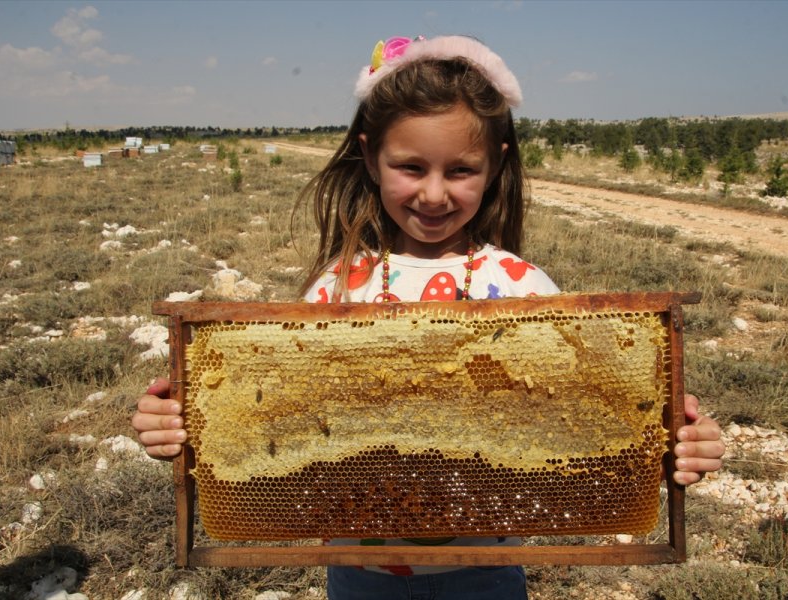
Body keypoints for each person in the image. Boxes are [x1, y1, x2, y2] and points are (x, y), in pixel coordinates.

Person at [133, 35, 725, 600]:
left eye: (460, 171)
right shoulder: (339, 287)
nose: (435, 194)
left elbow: (606, 413)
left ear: (496, 165)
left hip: (485, 575)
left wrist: (674, 439)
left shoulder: (523, 289)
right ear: (369, 156)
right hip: (360, 573)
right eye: (412, 168)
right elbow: (265, 406)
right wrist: (182, 422)